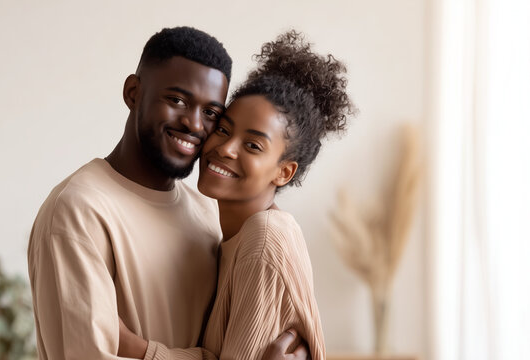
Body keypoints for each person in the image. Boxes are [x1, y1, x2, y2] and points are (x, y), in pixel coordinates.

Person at [27, 26, 308, 360]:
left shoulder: (207, 213)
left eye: (211, 113)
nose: (193, 124)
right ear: (133, 92)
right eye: (177, 100)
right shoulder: (79, 211)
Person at [117, 30, 355, 360]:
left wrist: (138, 349)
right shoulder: (227, 237)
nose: (225, 148)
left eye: (253, 145)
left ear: (283, 171)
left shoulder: (265, 239)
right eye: (225, 129)